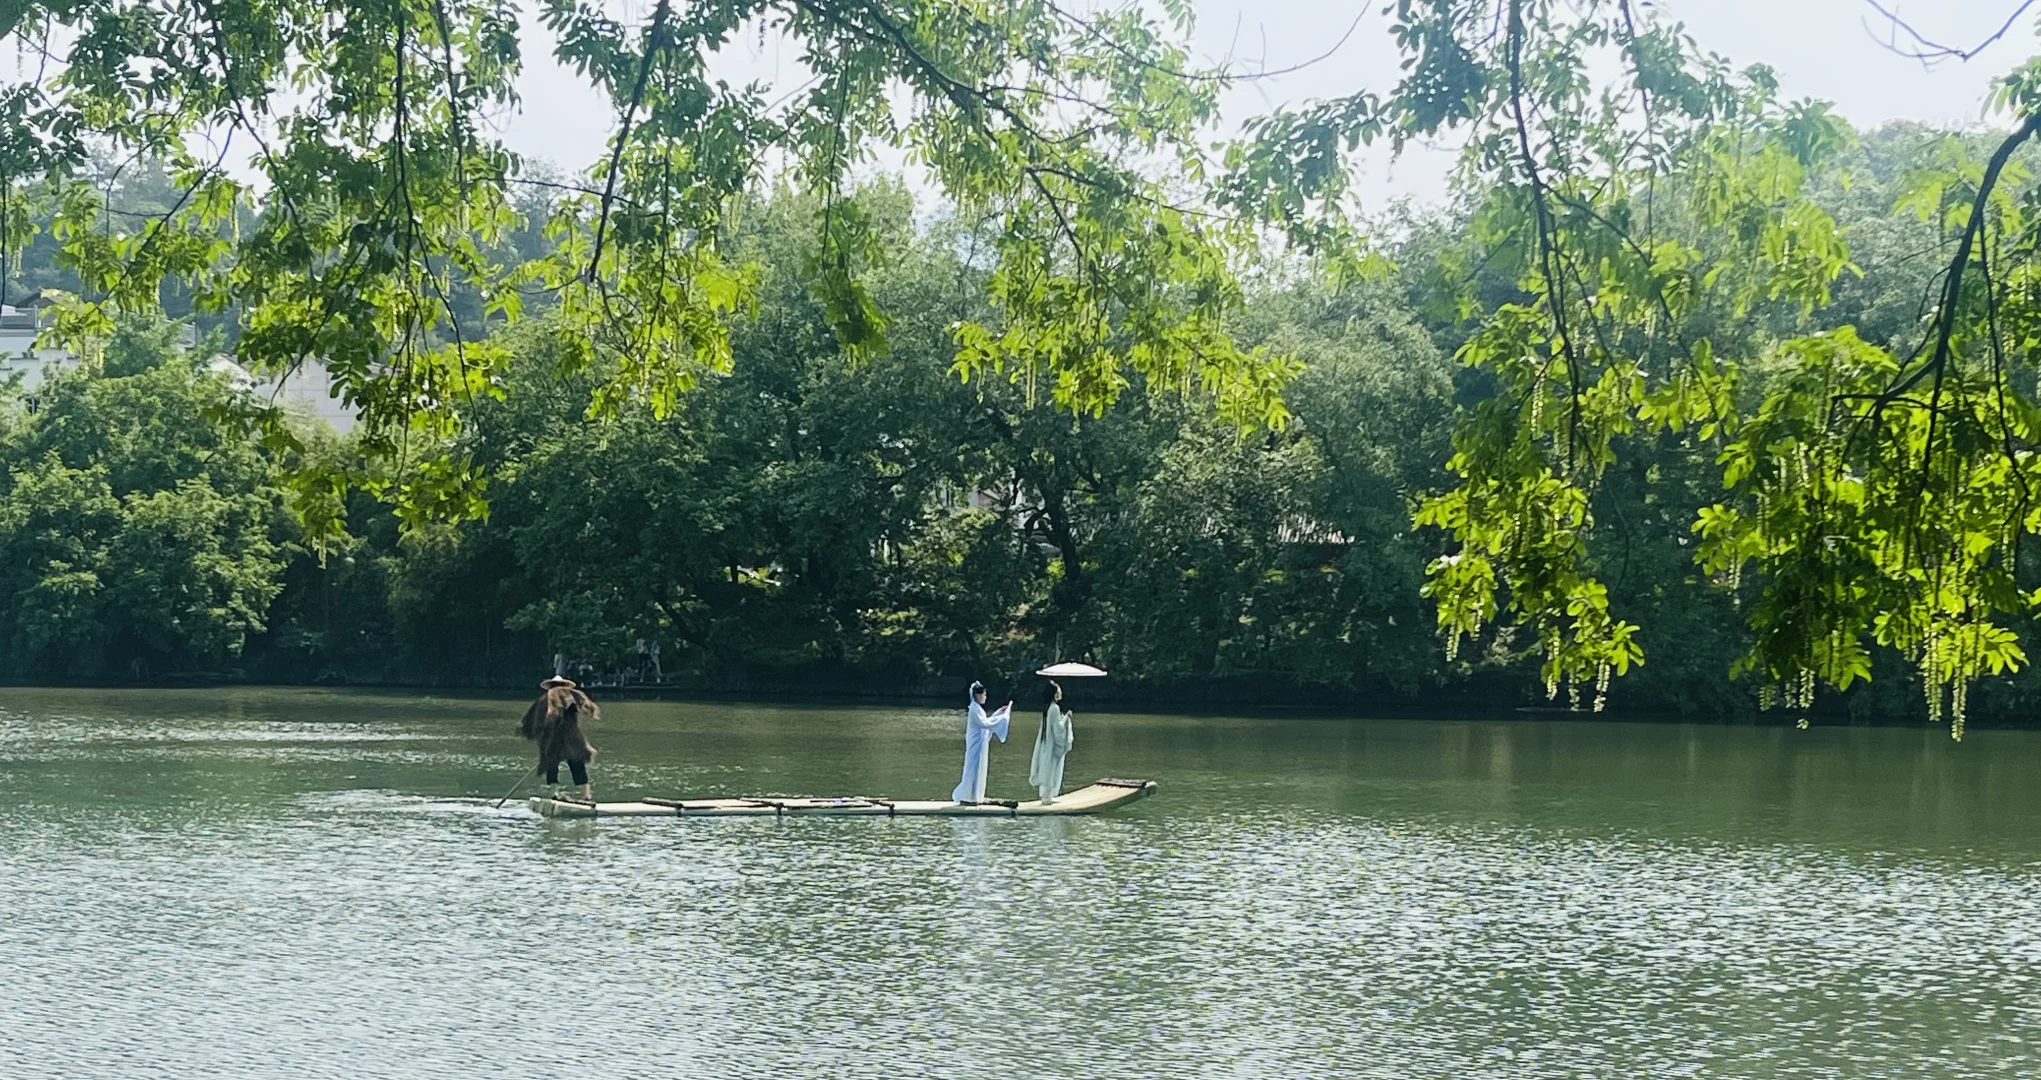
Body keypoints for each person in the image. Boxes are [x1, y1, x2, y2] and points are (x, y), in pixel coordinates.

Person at [519, 675, 599, 802]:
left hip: (561, 737)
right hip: (565, 737)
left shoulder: (563, 697)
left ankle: (557, 793)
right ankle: (585, 795)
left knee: (556, 764)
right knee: (574, 763)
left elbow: (538, 722)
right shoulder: (547, 700)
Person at [950, 681, 1011, 804]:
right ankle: (967, 796)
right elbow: (985, 724)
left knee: (978, 769)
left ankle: (975, 796)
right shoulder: (974, 708)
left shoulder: (977, 708)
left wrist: (999, 712)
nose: (985, 697)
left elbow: (986, 722)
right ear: (977, 695)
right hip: (975, 745)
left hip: (979, 744)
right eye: (984, 694)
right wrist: (1003, 718)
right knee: (973, 769)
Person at [1029, 680, 1074, 804]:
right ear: (1054, 693)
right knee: (1051, 768)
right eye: (1059, 690)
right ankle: (1047, 797)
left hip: (1047, 742)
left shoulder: (1048, 707)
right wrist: (1067, 718)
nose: (1061, 692)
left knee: (1047, 767)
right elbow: (1058, 729)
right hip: (1052, 745)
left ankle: (1046, 796)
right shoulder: (1054, 708)